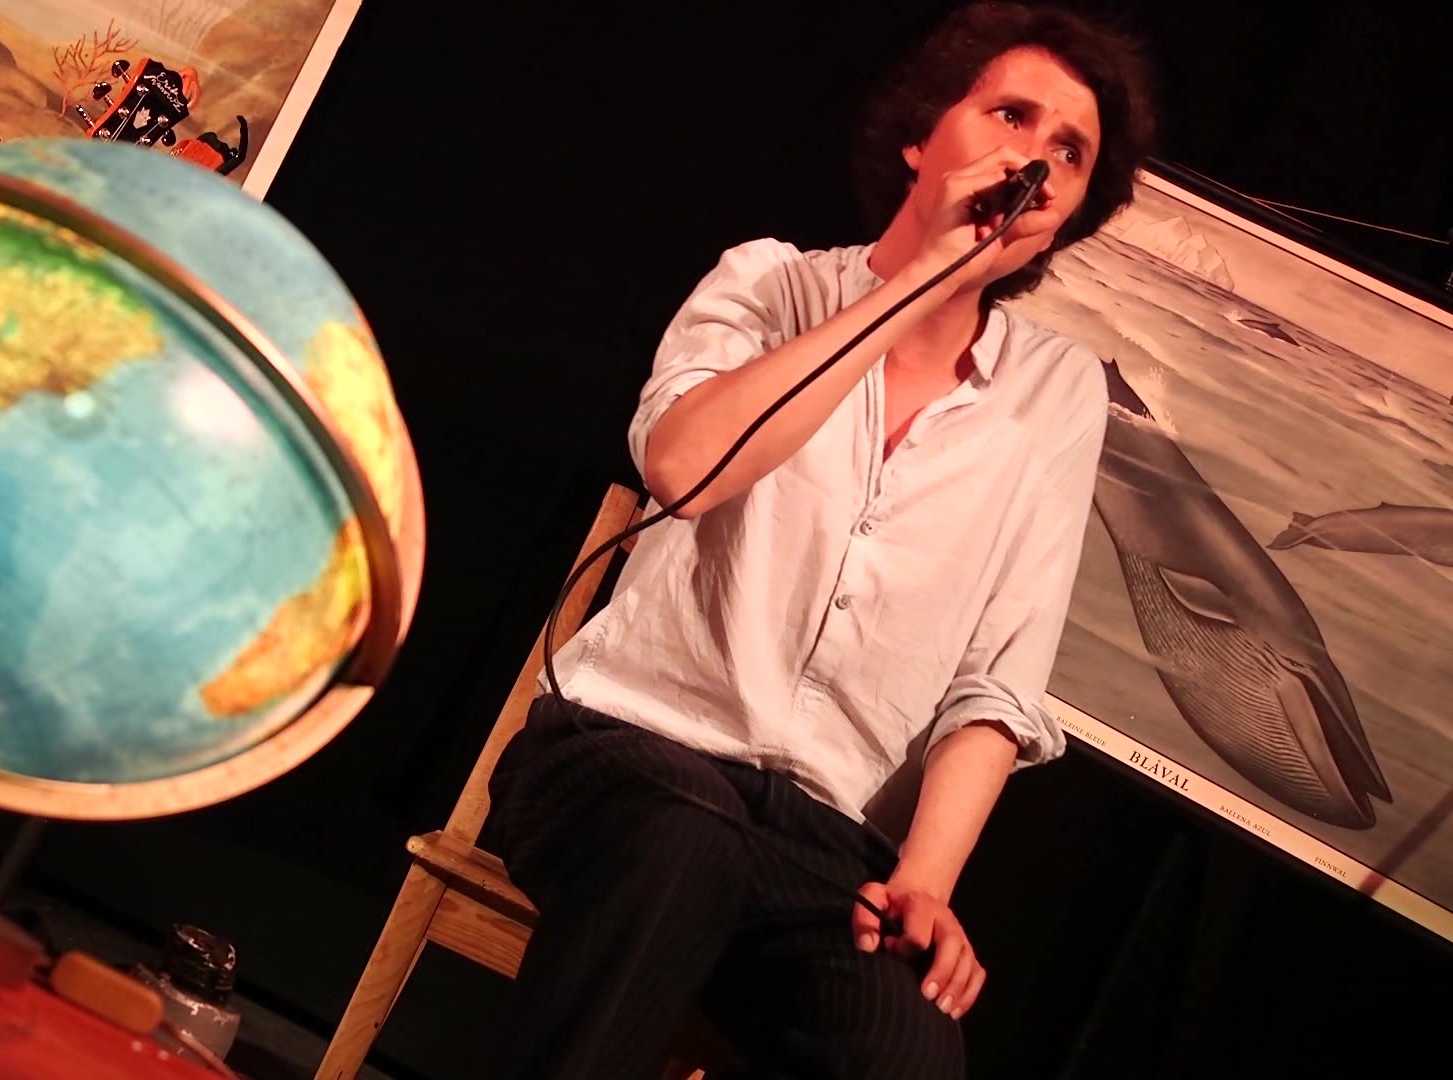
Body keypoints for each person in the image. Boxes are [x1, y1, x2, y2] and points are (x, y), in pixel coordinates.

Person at [478, 4, 1158, 1078]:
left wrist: (924, 882)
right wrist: (919, 284)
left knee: (909, 1046)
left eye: (1070, 151)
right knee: (681, 848)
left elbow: (1001, 671)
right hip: (629, 758)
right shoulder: (768, 283)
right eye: (1011, 115)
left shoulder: (1056, 393)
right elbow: (687, 468)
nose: (1035, 157)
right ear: (921, 137)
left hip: (826, 840)